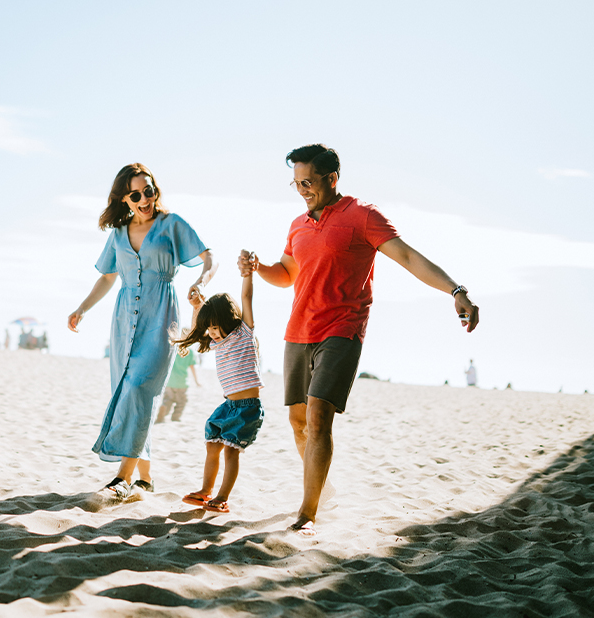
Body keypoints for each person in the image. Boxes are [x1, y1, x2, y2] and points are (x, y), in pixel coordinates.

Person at [238, 144, 480, 537]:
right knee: (298, 421)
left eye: (309, 182)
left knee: (318, 416)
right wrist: (259, 267)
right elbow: (287, 273)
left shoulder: (363, 217)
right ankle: (323, 488)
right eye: (296, 183)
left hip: (342, 329)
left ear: (332, 179)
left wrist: (456, 291)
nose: (302, 190)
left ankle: (308, 511)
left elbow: (408, 257)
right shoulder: (298, 225)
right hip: (298, 331)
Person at [68, 163, 215, 499]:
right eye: (137, 194)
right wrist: (82, 308)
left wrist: (201, 281)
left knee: (138, 389)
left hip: (161, 318)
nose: (146, 198)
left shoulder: (171, 224)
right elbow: (107, 277)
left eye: (150, 190)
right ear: (125, 198)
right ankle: (145, 479)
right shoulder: (119, 234)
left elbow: (210, 257)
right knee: (129, 393)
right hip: (124, 323)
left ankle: (122, 477)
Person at [174, 260, 263, 513]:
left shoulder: (244, 333)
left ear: (228, 320)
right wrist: (197, 306)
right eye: (209, 328)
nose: (211, 332)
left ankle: (222, 497)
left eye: (215, 327)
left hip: (247, 408)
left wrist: (248, 274)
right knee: (212, 445)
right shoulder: (216, 342)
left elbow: (246, 296)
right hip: (228, 405)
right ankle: (205, 491)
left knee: (231, 453)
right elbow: (198, 329)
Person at [155, 347, 201, 423]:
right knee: (181, 402)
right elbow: (192, 367)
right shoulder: (190, 352)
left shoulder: (173, 349)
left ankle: (164, 410)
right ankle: (175, 417)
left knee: (167, 399)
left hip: (169, 381)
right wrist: (196, 381)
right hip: (182, 382)